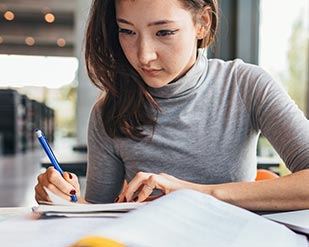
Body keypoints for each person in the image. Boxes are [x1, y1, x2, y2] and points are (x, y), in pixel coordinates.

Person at [35, 0, 309, 211]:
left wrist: (197, 193)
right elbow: (97, 214)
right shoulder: (109, 110)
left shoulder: (246, 85)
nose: (144, 55)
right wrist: (62, 200)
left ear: (202, 23)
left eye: (164, 32)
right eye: (127, 31)